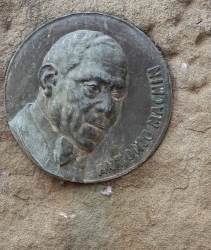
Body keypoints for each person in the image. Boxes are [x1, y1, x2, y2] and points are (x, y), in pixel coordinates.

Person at [9, 29, 128, 182]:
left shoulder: (109, 156)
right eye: (92, 88)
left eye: (116, 94)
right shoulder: (21, 132)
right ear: (49, 81)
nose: (107, 107)